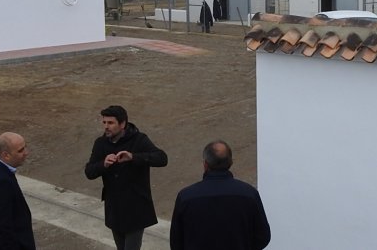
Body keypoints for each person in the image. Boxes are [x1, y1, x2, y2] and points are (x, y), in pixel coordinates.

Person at [84, 105, 169, 250]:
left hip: (135, 206)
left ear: (122, 124)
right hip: (114, 208)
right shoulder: (100, 143)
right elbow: (89, 172)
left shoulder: (139, 140)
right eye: (104, 122)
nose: (106, 127)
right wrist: (103, 164)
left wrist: (133, 157)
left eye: (110, 123)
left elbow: (161, 158)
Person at [170, 140, 270, 250]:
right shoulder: (249, 194)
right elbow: (263, 236)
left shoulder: (186, 197)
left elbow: (176, 241)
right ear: (231, 163)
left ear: (205, 165)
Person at [0, 132, 36, 250]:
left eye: (25, 147)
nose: (26, 153)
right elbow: (3, 229)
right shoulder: (1, 182)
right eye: (20, 150)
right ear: (6, 155)